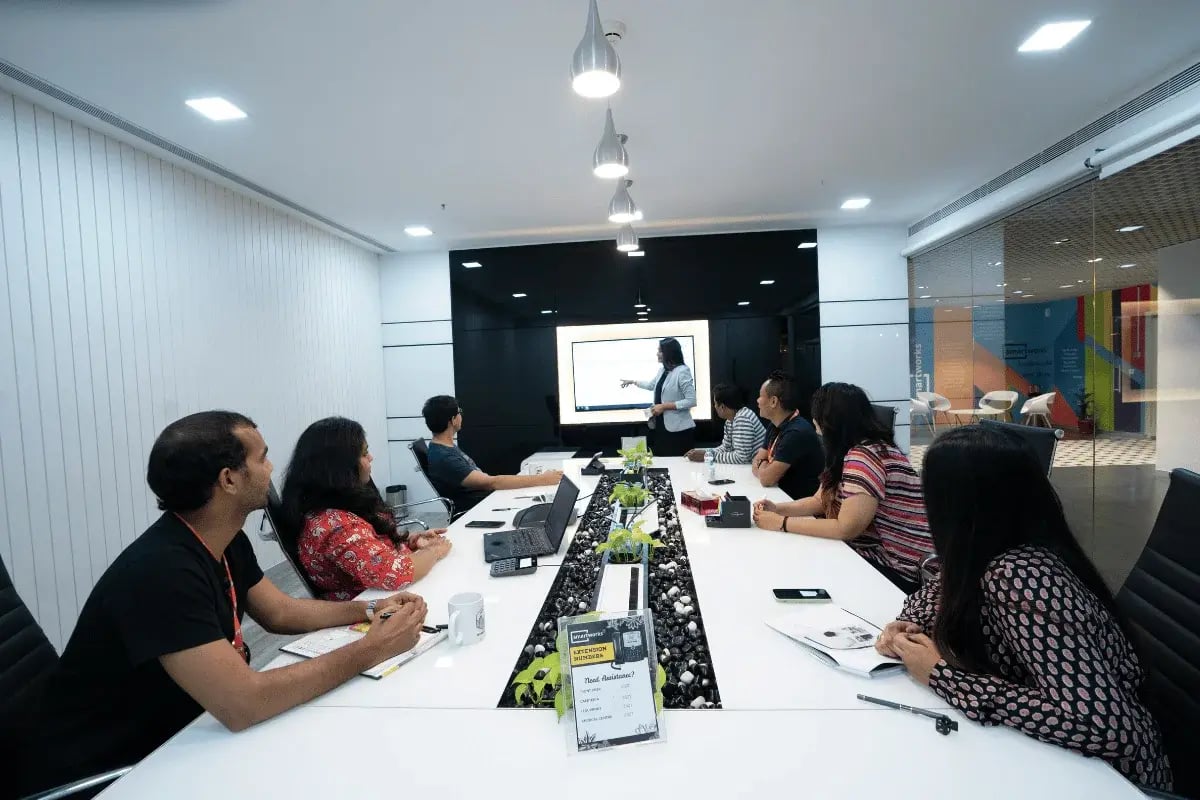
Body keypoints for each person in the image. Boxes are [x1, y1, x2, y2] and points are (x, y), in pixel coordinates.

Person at [9, 412, 429, 798]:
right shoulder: (161, 573)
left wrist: (370, 611)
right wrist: (373, 648)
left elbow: (281, 612)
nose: (270, 469)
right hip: (112, 769)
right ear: (229, 479)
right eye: (262, 458)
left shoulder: (224, 539)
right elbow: (243, 703)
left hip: (187, 730)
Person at [876, 425, 1171, 790]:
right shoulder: (984, 549)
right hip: (1045, 756)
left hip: (1106, 780)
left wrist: (943, 676)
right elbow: (940, 591)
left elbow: (1105, 728)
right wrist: (906, 625)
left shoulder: (1020, 575)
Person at [752, 382, 933, 593]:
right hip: (872, 555)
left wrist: (781, 523)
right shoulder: (848, 452)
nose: (814, 423)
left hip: (897, 567)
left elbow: (846, 528)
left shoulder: (864, 456)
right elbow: (819, 501)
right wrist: (777, 509)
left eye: (817, 417)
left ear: (830, 422)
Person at [282, 417, 452, 601]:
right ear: (340, 467)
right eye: (364, 453)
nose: (371, 458)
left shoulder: (341, 503)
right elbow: (396, 573)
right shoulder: (335, 526)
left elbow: (367, 547)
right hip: (370, 609)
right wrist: (434, 551)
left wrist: (408, 541)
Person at [422, 395, 562, 513]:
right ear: (453, 420)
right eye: (459, 412)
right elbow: (491, 483)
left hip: (487, 501)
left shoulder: (445, 447)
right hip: (481, 509)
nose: (461, 415)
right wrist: (543, 479)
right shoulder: (445, 457)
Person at [749, 370, 823, 499]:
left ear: (773, 402)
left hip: (797, 503)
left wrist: (763, 464)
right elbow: (755, 462)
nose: (757, 400)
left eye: (760, 396)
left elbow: (766, 479)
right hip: (779, 495)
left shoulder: (796, 432)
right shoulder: (774, 425)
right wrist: (764, 465)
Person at [620, 337, 697, 457]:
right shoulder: (663, 370)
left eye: (660, 351)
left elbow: (691, 401)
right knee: (662, 459)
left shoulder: (682, 371)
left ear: (669, 353)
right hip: (661, 426)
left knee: (677, 464)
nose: (657, 354)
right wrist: (633, 382)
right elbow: (651, 385)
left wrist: (664, 406)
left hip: (678, 430)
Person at [685, 383, 765, 464]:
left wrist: (707, 456)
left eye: (715, 403)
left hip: (756, 468)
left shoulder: (743, 419)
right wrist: (704, 452)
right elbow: (726, 448)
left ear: (722, 407)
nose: (715, 406)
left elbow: (742, 458)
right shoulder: (730, 420)